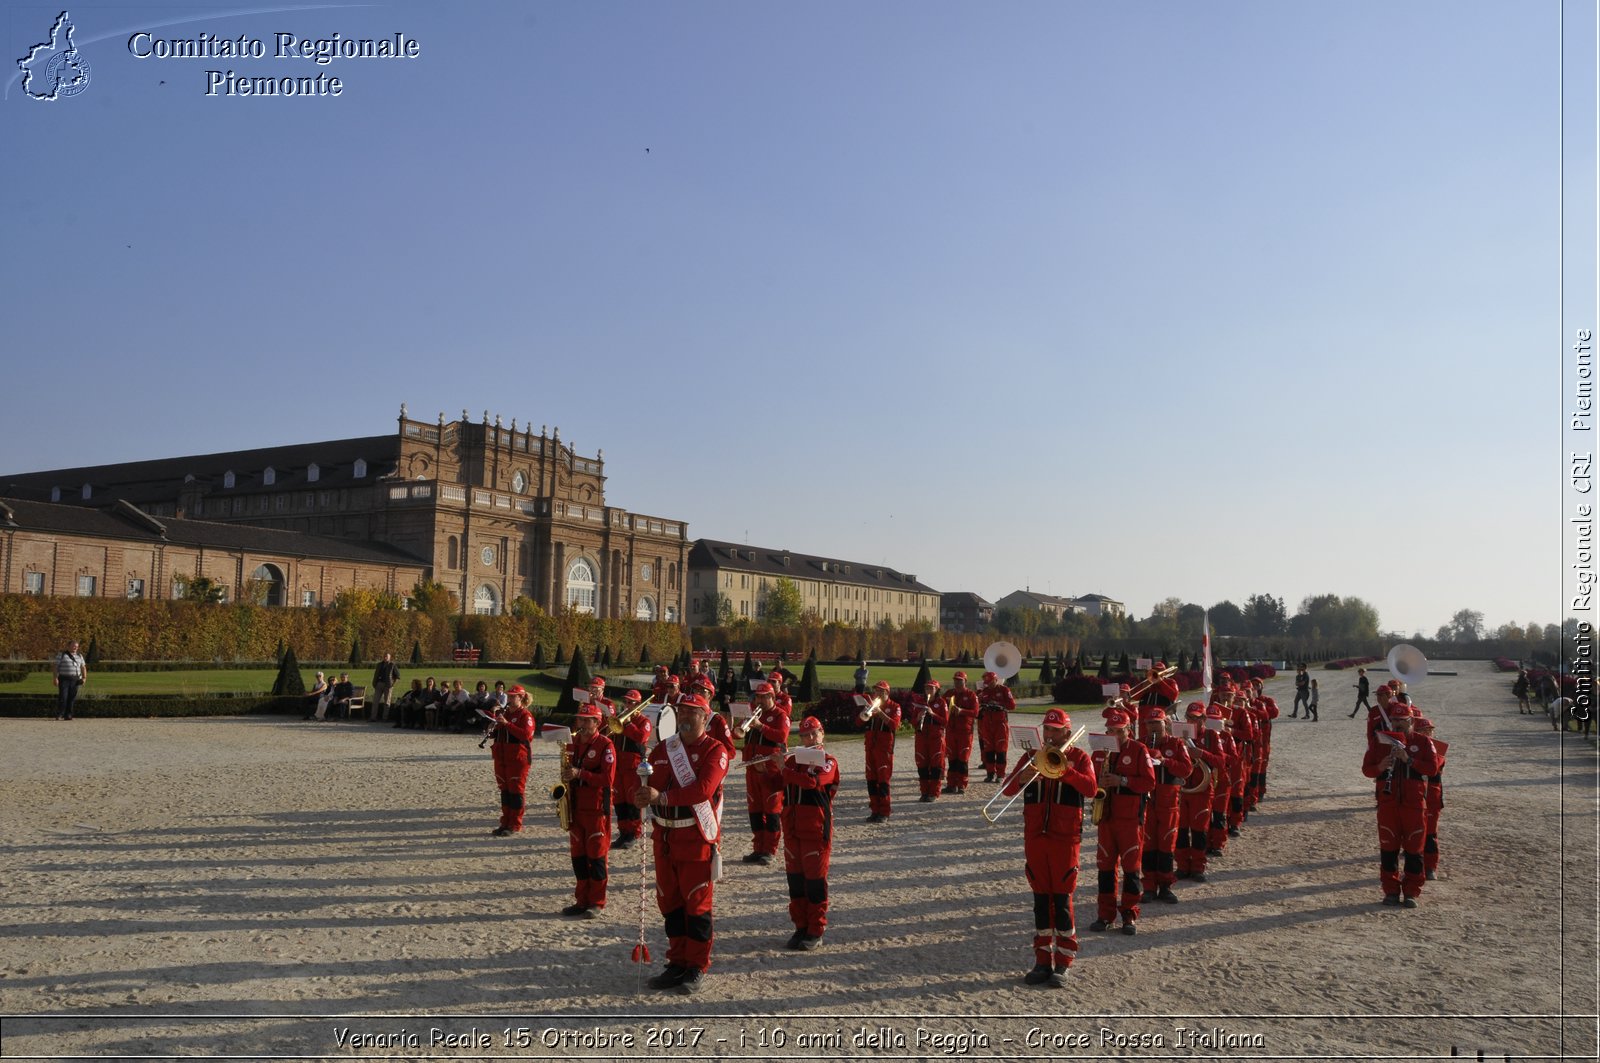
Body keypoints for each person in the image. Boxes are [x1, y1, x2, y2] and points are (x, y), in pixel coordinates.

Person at [634, 693, 731, 994]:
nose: (686, 717)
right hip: (664, 836)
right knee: (670, 904)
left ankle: (696, 966)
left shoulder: (716, 751)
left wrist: (661, 797)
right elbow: (651, 784)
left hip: (695, 838)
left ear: (706, 717)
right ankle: (676, 962)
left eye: (693, 712)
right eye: (682, 712)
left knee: (696, 905)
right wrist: (637, 792)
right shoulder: (666, 748)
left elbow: (702, 790)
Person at [1001, 708, 1097, 986]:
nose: (1051, 736)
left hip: (1065, 838)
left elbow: (1091, 788)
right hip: (1035, 836)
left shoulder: (1079, 757)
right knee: (1040, 901)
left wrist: (1066, 771)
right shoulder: (1032, 756)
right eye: (1047, 730)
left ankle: (1064, 962)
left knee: (1062, 900)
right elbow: (1007, 790)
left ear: (1067, 731)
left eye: (1056, 730)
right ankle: (1042, 960)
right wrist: (1023, 777)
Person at [1360, 701, 1440, 907]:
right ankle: (1391, 890)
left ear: (1411, 721)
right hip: (1388, 805)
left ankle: (1412, 891)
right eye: (1394, 720)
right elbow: (1367, 770)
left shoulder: (1422, 742)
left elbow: (1432, 769)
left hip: (1413, 806)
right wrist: (1380, 766)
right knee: (1388, 849)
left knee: (1414, 850)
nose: (1397, 724)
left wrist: (1409, 759)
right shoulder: (1380, 742)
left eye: (1402, 721)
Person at [1090, 708, 1155, 934]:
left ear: (1128, 730)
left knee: (1131, 868)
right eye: (1110, 731)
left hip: (1129, 818)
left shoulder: (1139, 750)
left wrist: (1122, 780)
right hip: (1106, 817)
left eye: (1118, 731)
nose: (1114, 735)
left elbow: (1149, 782)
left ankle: (1129, 914)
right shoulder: (1099, 751)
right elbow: (1089, 782)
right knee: (1105, 868)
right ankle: (1105, 915)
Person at [780, 715, 840, 950]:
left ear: (822, 734)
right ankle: (800, 926)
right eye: (805, 735)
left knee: (815, 882)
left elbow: (813, 782)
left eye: (813, 733)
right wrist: (769, 768)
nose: (809, 738)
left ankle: (816, 930)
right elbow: (776, 783)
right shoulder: (793, 761)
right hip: (793, 827)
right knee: (795, 881)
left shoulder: (829, 760)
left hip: (815, 829)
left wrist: (783, 769)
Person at [561, 701, 617, 917]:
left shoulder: (606, 745)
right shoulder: (573, 742)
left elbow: (607, 779)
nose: (581, 723)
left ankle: (597, 902)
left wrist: (579, 774)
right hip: (575, 807)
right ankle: (581, 900)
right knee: (578, 859)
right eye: (580, 719)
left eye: (586, 720)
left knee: (596, 858)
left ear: (597, 722)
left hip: (595, 810)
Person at [1136, 706, 1193, 905]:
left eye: (1156, 723)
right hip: (1147, 802)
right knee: (1148, 845)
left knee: (1167, 845)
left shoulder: (1176, 744)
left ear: (1165, 723)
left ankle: (1166, 886)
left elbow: (1186, 770)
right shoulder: (1140, 744)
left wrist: (1165, 761)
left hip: (1168, 802)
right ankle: (1149, 886)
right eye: (1149, 723)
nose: (1153, 727)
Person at [737, 682, 789, 864]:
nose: (759, 700)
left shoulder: (780, 715)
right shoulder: (752, 714)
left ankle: (770, 849)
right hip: (752, 769)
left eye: (764, 696)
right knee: (755, 811)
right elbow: (737, 735)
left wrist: (760, 727)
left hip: (770, 770)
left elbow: (781, 736)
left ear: (772, 697)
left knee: (772, 810)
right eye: (757, 696)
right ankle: (758, 847)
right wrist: (742, 726)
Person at [1175, 702, 1226, 882]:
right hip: (1182, 789)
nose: (1191, 721)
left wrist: (1201, 753)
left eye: (1195, 718)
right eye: (1189, 717)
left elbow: (1221, 761)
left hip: (1202, 790)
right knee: (1180, 830)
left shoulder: (1211, 735)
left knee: (1198, 831)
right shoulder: (1179, 734)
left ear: (1204, 719)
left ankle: (1198, 867)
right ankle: (1182, 866)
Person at [489, 686, 537, 836]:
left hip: (518, 758)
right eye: (508, 697)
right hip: (502, 755)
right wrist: (493, 727)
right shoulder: (505, 713)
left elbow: (526, 735)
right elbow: (499, 733)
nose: (509, 700)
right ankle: (505, 822)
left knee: (516, 791)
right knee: (505, 790)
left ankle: (515, 824)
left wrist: (507, 724)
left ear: (521, 698)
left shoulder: (525, 715)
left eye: (513, 697)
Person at [612, 689, 653, 850]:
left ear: (638, 705)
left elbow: (641, 737)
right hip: (619, 764)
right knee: (619, 801)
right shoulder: (621, 718)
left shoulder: (643, 721)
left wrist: (627, 723)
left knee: (632, 800)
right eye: (626, 702)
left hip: (633, 765)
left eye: (631, 702)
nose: (627, 705)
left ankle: (634, 833)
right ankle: (623, 832)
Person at [860, 679, 902, 822]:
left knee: (883, 782)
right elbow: (859, 722)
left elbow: (895, 725)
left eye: (880, 691)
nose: (877, 693)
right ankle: (875, 810)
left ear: (887, 692)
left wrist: (881, 713)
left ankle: (884, 811)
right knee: (871, 780)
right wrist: (866, 711)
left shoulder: (895, 706)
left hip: (884, 749)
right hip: (870, 747)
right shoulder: (871, 706)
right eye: (876, 690)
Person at [1413, 716, 1446, 880]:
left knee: (1430, 833)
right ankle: (1416, 866)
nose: (1427, 734)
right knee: (1414, 832)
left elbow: (1433, 767)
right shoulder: (1412, 747)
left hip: (1432, 796)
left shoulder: (1437, 749)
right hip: (1415, 795)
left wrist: (1412, 760)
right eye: (1423, 731)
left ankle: (1431, 866)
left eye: (1430, 731)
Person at [911, 679, 949, 802]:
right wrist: (918, 717)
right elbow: (913, 722)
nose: (929, 691)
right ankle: (924, 792)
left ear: (937, 690)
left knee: (935, 766)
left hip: (936, 738)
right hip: (922, 737)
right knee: (922, 765)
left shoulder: (941, 702)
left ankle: (933, 792)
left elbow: (945, 721)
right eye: (927, 688)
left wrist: (932, 714)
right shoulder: (920, 703)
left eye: (931, 688)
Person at [943, 670, 980, 794]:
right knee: (952, 758)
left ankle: (962, 784)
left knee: (963, 759)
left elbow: (975, 712)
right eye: (956, 680)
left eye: (960, 681)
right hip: (951, 731)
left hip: (965, 731)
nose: (957, 683)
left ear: (965, 682)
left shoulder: (971, 695)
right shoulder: (949, 693)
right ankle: (951, 784)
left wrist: (962, 711)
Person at [977, 670, 1016, 783]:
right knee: (988, 749)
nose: (988, 684)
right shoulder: (984, 691)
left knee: (1001, 749)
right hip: (987, 723)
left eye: (990, 682)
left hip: (1000, 724)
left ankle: (1000, 774)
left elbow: (1012, 705)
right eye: (986, 682)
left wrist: (998, 704)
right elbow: (978, 705)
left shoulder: (1004, 690)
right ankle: (990, 773)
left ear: (995, 680)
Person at [53, 639, 87, 721]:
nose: (75, 647)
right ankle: (60, 714)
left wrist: (84, 677)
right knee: (63, 697)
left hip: (75, 679)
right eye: (73, 646)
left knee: (72, 698)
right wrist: (55, 678)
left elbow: (83, 667)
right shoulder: (61, 655)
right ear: (68, 646)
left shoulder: (80, 656)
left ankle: (68, 715)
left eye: (76, 646)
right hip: (64, 679)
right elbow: (55, 666)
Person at [371, 652, 400, 723]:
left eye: (387, 656)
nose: (385, 657)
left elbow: (398, 676)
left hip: (388, 685)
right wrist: (375, 683)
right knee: (375, 701)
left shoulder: (392, 665)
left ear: (390, 657)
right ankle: (373, 717)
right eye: (384, 656)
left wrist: (392, 684)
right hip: (379, 684)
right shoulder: (379, 665)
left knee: (387, 702)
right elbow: (376, 674)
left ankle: (385, 718)